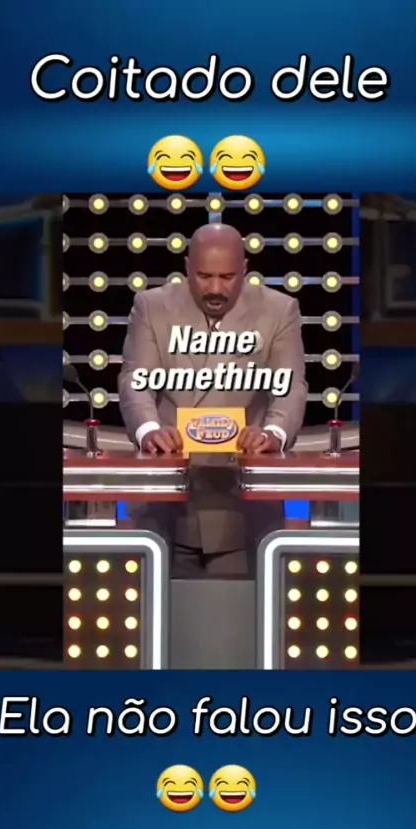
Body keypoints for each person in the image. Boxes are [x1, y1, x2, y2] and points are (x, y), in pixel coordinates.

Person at [118, 223, 307, 577]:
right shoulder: (151, 306)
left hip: (240, 501)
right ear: (187, 268)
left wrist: (273, 434)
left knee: (240, 609)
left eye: (227, 277)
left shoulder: (279, 310)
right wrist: (148, 430)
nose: (216, 289)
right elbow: (135, 382)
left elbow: (291, 386)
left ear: (245, 270)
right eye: (204, 276)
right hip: (165, 499)